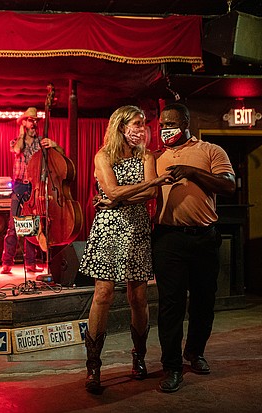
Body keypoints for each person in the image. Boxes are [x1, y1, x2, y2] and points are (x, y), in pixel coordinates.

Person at [79, 105, 171, 393]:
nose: (141, 129)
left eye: (143, 124)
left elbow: (149, 194)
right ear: (120, 126)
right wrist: (148, 183)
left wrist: (120, 197)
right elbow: (113, 190)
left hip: (137, 228)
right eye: (135, 123)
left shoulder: (146, 155)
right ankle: (93, 366)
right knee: (103, 294)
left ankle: (139, 358)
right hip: (108, 230)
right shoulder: (103, 155)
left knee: (139, 297)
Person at [153, 102, 236, 393]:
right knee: (171, 305)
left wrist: (191, 171)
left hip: (203, 237)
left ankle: (195, 352)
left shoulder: (211, 151)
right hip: (168, 238)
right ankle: (172, 367)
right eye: (162, 124)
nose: (165, 129)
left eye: (171, 124)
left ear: (186, 123)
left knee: (203, 301)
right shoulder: (156, 157)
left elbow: (228, 185)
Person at [0, 107, 64, 277]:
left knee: (32, 225)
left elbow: (60, 156)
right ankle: (7, 262)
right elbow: (16, 150)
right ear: (23, 123)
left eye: (35, 121)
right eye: (30, 120)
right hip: (20, 186)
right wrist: (21, 134)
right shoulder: (16, 140)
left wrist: (55, 145)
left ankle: (30, 263)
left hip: (35, 186)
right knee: (13, 225)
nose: (34, 123)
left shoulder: (42, 141)